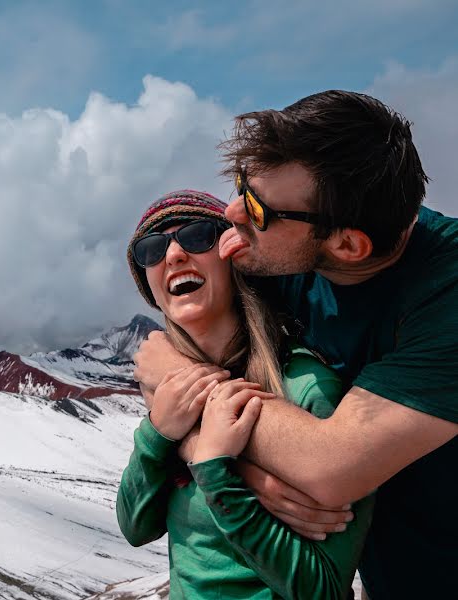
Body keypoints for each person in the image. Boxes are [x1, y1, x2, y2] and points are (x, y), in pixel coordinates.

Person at [133, 91, 458, 599]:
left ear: (348, 245)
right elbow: (167, 356)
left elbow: (330, 469)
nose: (233, 214)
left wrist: (185, 396)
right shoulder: (275, 256)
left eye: (258, 209)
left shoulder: (447, 296)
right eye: (241, 185)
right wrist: (236, 471)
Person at [116, 190, 373, 600]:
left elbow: (323, 588)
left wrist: (218, 475)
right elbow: (135, 526)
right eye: (152, 249)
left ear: (233, 256)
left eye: (198, 236)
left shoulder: (307, 388)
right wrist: (158, 432)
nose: (175, 255)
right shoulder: (170, 396)